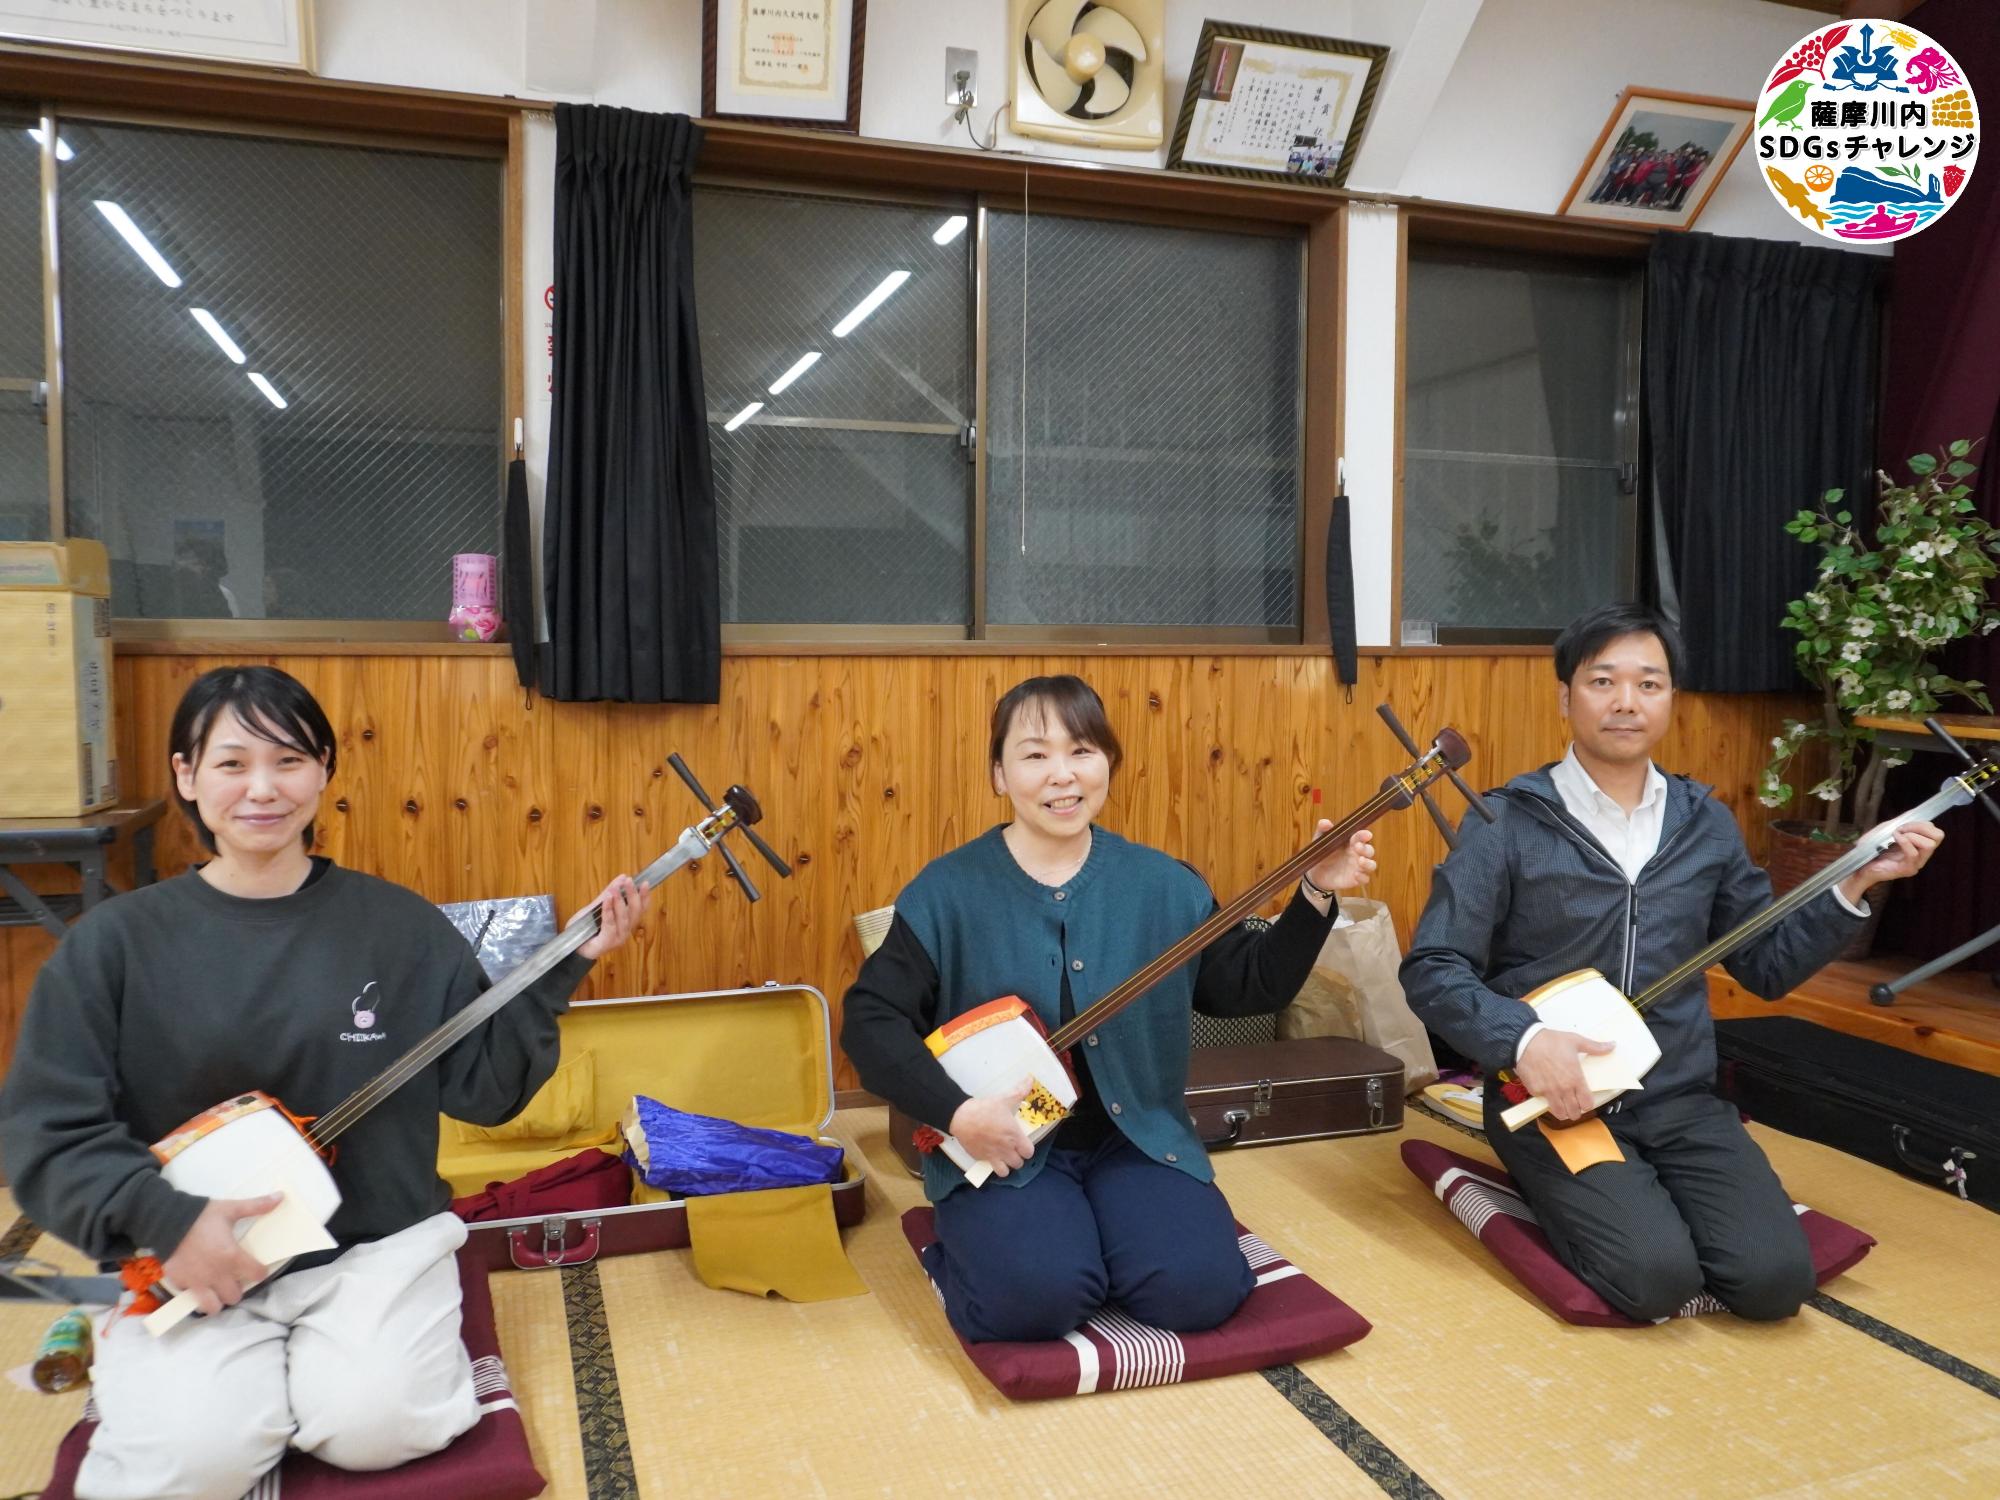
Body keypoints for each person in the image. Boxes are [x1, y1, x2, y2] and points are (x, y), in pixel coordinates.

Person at [0, 665, 652, 1500]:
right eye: (232, 764)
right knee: (199, 1462)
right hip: (194, 1261)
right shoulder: (114, 945)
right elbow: (50, 1135)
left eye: (289, 761)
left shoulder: (398, 927)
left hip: (370, 1248)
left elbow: (484, 1091)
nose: (263, 789)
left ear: (324, 773)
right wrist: (168, 1217)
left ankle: (306, 1376)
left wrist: (564, 971)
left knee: (379, 1428)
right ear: (186, 777)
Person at [1401, 603, 1940, 1322]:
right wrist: (1525, 1042)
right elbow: (1434, 966)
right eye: (1603, 681)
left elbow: (1767, 966)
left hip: (1682, 1099)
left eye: (1649, 684)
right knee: (1655, 1278)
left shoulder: (1703, 822)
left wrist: (1857, 881)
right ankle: (1559, 1182)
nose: (1626, 702)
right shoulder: (1507, 822)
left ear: (1670, 699)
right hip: (1556, 1100)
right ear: (1566, 697)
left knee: (1775, 1281)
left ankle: (1641, 1197)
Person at [841, 674, 1376, 1344]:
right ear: (998, 775)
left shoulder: (1162, 884)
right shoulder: (946, 891)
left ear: (1109, 764)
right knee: (1035, 1301)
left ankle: (1102, 1227)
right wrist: (958, 1114)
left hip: (1137, 1136)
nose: (1062, 776)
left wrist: (1315, 895)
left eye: (1082, 751)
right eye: (1034, 755)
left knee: (1197, 1293)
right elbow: (869, 1021)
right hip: (1007, 1142)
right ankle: (1009, 1239)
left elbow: (1245, 988)